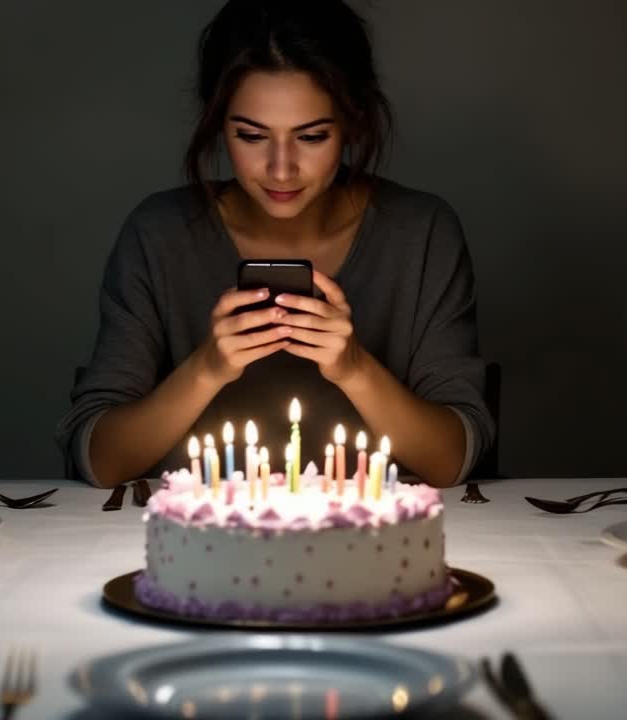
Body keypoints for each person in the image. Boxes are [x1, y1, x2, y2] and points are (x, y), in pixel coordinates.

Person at [56, 0, 494, 489]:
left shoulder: (421, 233)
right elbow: (99, 459)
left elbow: (455, 459)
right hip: (201, 550)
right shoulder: (160, 234)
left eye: (311, 137)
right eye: (251, 135)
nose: (281, 169)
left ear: (352, 124)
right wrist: (206, 368)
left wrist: (354, 368)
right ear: (217, 124)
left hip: (369, 545)